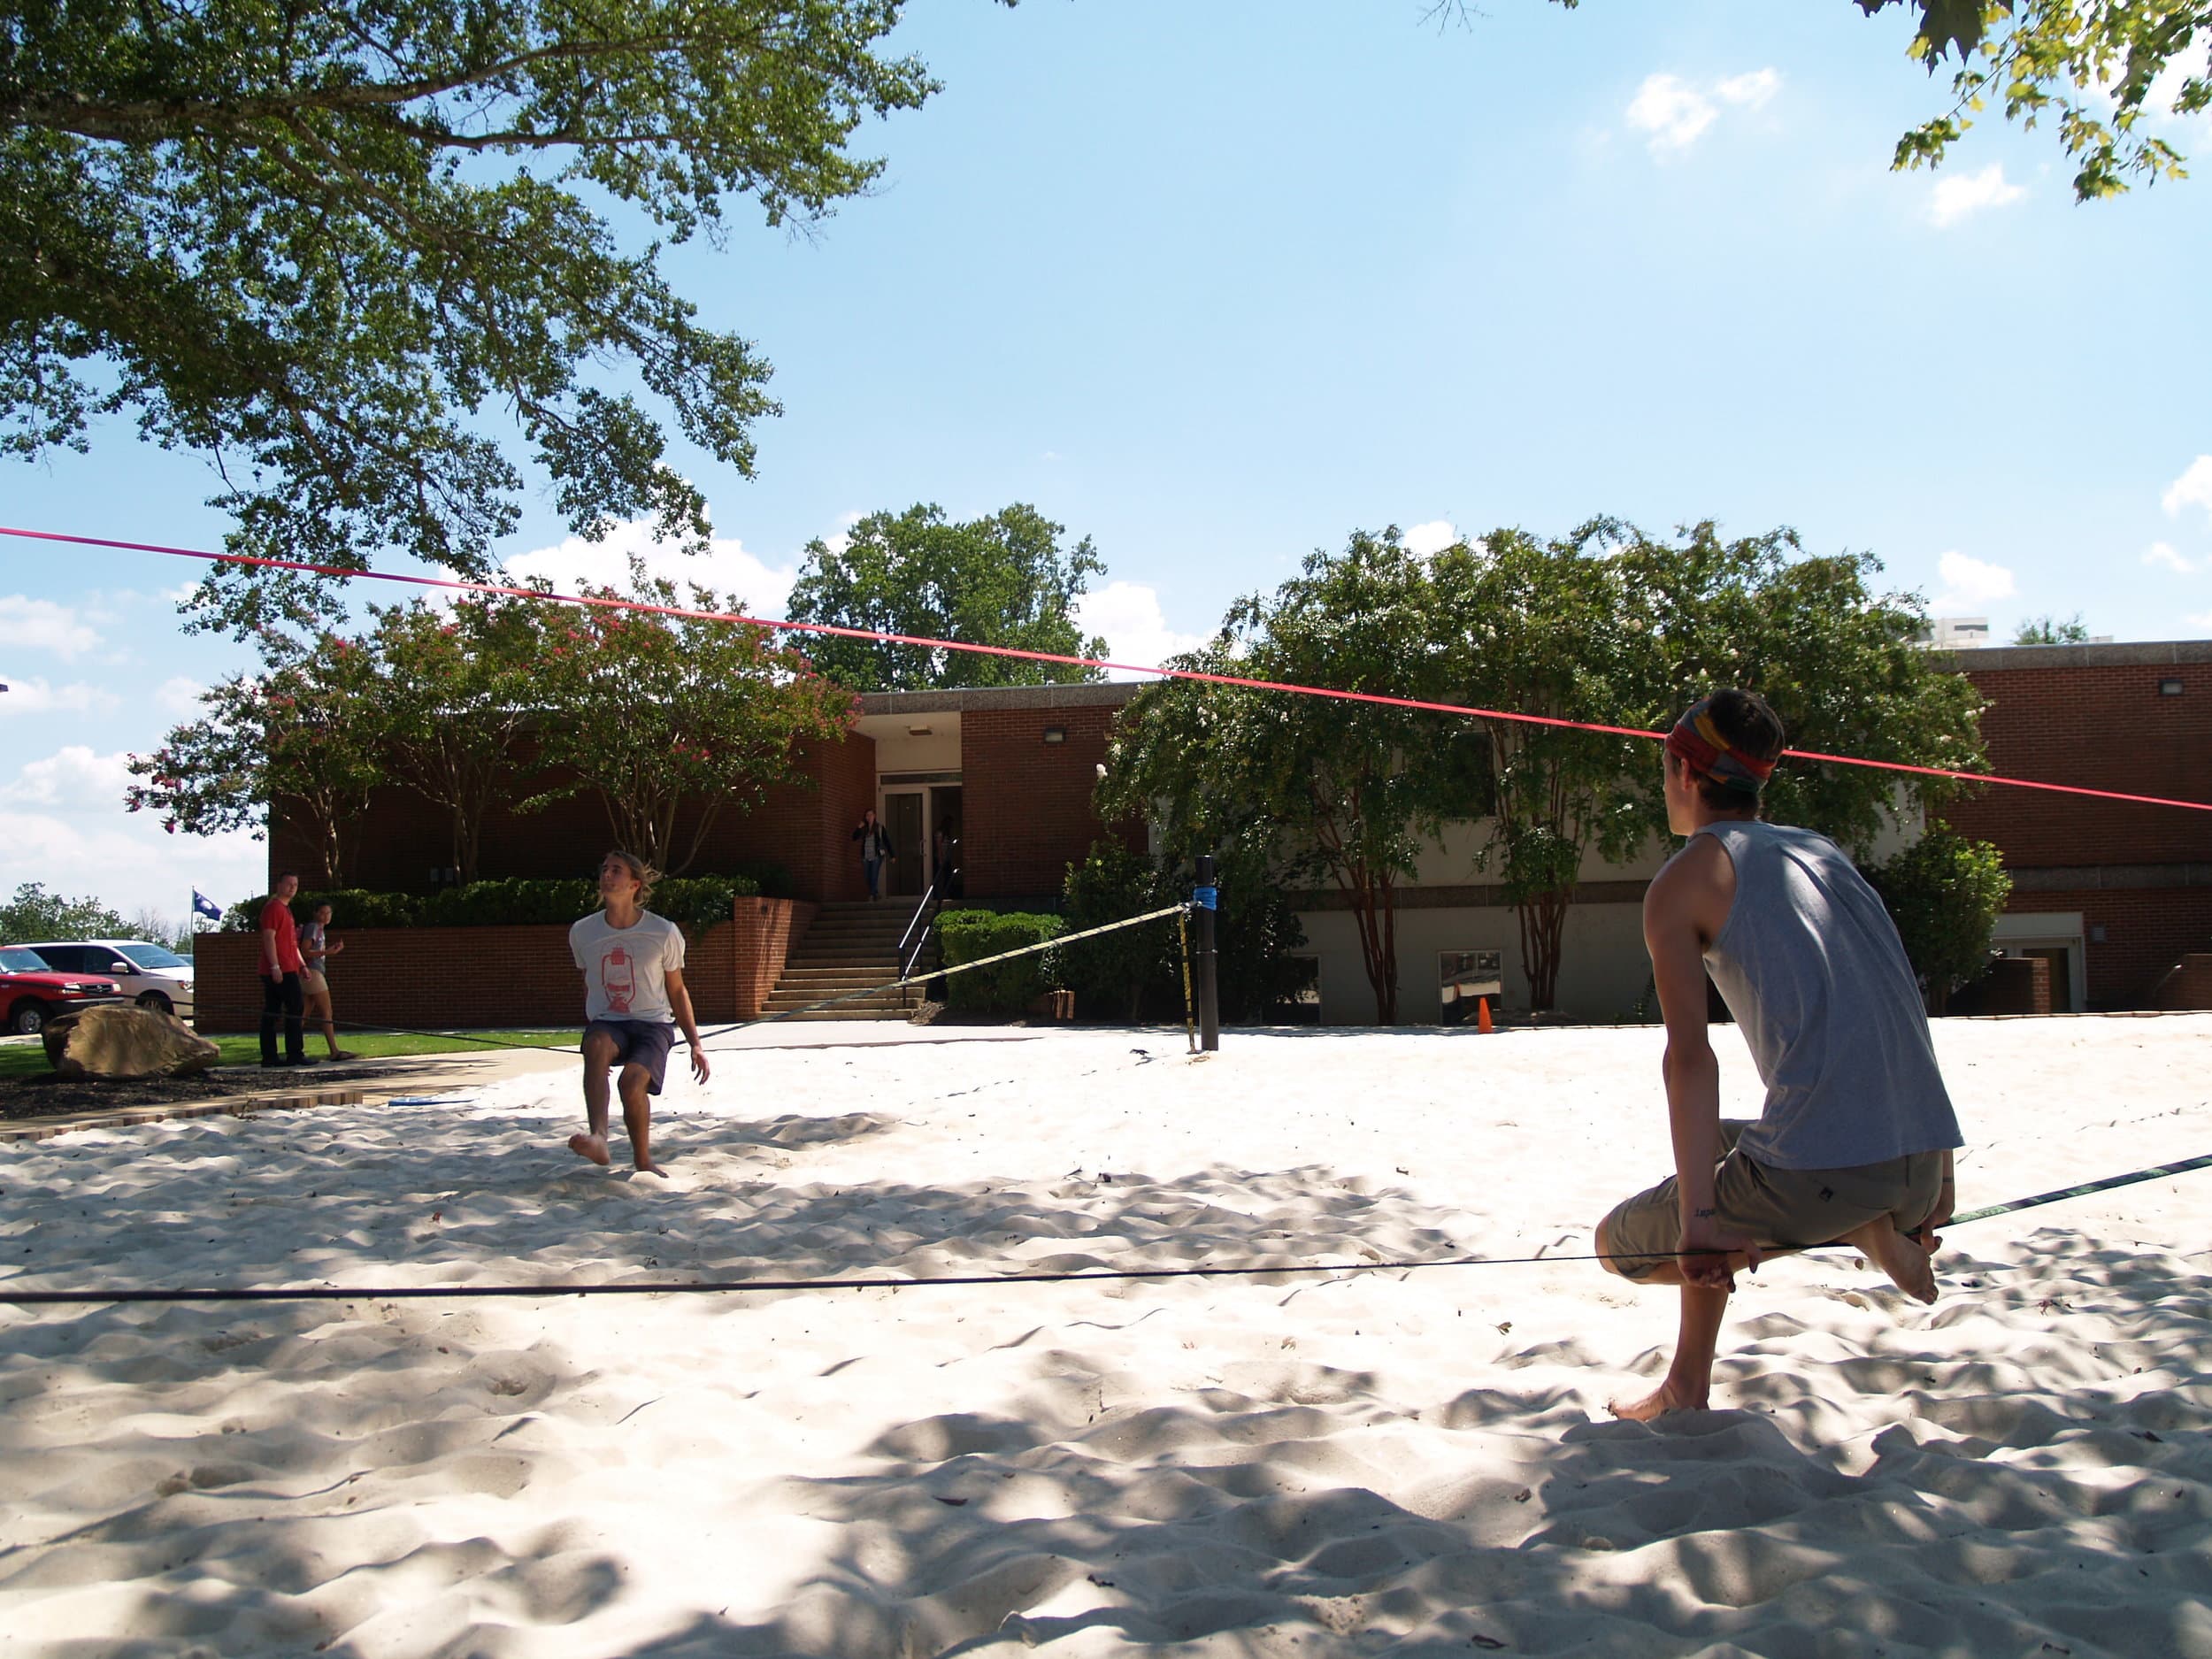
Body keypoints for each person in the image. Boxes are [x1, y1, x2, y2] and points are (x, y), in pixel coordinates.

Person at [1594, 689, 1963, 1421]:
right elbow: (1903, 1009)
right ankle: (1687, 1383)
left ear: (1683, 771)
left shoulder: (1685, 879)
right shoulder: (1821, 852)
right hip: (1923, 1169)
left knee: (1618, 1246)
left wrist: (1700, 1226)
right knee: (1713, 1151)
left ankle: (1853, 1225)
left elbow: (1690, 1062)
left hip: (1834, 1175)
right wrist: (1935, 1180)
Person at [567, 850, 709, 1177]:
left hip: (652, 1025)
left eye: (615, 870)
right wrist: (593, 1024)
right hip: (608, 1024)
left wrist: (695, 1044)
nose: (607, 875)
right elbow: (588, 982)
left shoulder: (663, 932)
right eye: (604, 869)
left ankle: (642, 1159)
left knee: (631, 1083)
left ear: (634, 884)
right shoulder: (582, 932)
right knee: (597, 1045)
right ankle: (599, 1139)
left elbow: (677, 990)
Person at [257, 872, 311, 1068]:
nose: (292, 888)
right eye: (289, 884)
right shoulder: (273, 908)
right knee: (293, 1008)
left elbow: (292, 943)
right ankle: (293, 1053)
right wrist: (275, 966)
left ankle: (272, 1056)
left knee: (275, 1010)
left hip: (290, 966)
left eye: (295, 884)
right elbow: (269, 938)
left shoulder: (287, 910)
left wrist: (302, 964)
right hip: (279, 968)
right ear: (279, 885)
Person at [298, 902, 358, 1062]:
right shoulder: (313, 928)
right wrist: (328, 952)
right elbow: (305, 950)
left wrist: (329, 951)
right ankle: (334, 1051)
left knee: (303, 1014)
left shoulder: (320, 930)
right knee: (327, 1012)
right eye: (322, 912)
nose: (326, 916)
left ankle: (294, 1049)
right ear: (315, 913)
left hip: (312, 972)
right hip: (313, 972)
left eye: (328, 913)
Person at [853, 808, 893, 901]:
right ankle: (875, 893)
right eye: (867, 815)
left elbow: (887, 841)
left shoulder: (879, 828)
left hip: (876, 855)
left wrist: (892, 855)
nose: (869, 817)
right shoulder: (864, 828)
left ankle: (871, 895)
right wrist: (859, 828)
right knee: (867, 876)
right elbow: (854, 838)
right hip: (866, 856)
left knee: (874, 875)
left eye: (871, 815)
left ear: (874, 816)